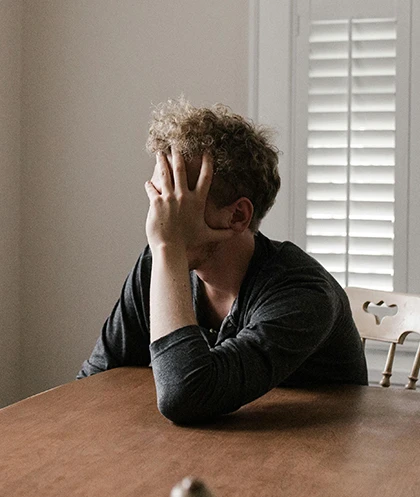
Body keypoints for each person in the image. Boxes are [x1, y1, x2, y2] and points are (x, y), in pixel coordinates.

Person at [77, 97, 368, 424]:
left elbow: (185, 396)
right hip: (213, 446)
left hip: (317, 448)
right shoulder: (159, 262)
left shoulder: (304, 294)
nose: (158, 219)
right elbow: (94, 382)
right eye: (158, 198)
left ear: (238, 215)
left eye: (176, 200)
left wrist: (169, 248)